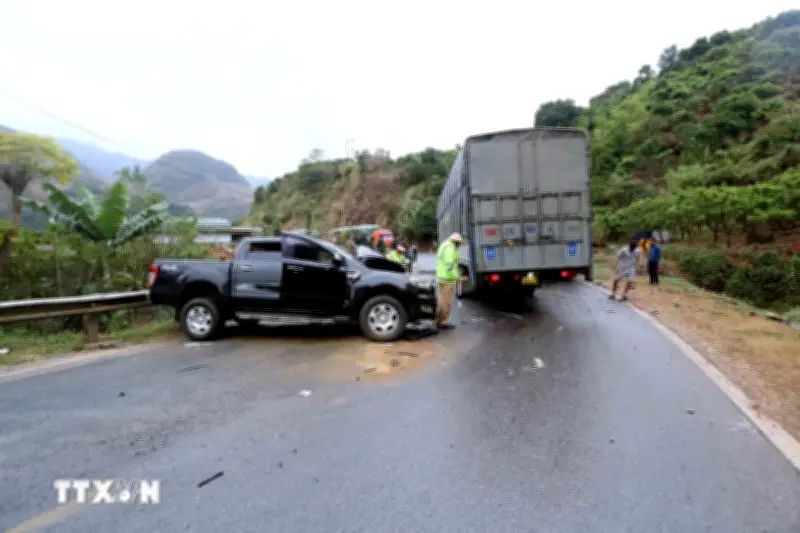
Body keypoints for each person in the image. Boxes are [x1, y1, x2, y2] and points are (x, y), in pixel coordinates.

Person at [435, 233, 463, 329]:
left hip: (442, 276)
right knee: (446, 301)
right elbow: (449, 266)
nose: (459, 245)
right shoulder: (450, 248)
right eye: (459, 243)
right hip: (447, 278)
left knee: (443, 299)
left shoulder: (444, 244)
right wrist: (457, 276)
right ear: (456, 242)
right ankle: (443, 322)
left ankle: (439, 319)